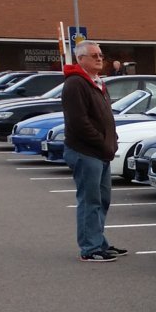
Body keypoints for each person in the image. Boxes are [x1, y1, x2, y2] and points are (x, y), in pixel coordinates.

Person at [61, 42, 123, 263]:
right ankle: (90, 248)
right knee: (90, 201)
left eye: (101, 55)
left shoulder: (97, 82)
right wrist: (103, 143)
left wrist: (112, 140)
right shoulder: (75, 84)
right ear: (80, 59)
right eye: (94, 55)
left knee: (102, 199)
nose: (99, 58)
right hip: (85, 151)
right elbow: (79, 123)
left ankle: (99, 242)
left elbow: (105, 118)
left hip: (100, 152)